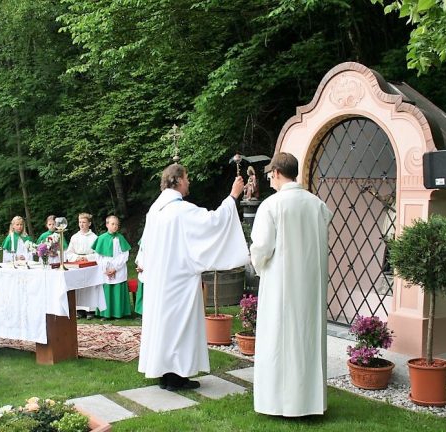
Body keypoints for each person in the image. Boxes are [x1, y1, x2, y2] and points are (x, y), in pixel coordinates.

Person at [137, 163, 247, 391]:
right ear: (177, 181)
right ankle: (177, 377)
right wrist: (233, 196)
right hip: (179, 279)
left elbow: (145, 245)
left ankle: (165, 374)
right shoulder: (180, 211)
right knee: (179, 326)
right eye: (187, 178)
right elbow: (214, 222)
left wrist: (143, 265)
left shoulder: (155, 210)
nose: (189, 182)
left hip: (159, 280)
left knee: (163, 326)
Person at [250, 152, 332, 417]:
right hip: (309, 284)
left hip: (280, 283)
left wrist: (260, 266)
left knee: (278, 339)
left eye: (269, 175)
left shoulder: (272, 205)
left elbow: (262, 246)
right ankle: (308, 402)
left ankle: (276, 403)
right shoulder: (317, 204)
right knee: (306, 337)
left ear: (275, 173)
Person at [92, 215, 132, 319]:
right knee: (106, 292)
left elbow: (125, 254)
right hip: (105, 268)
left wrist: (115, 268)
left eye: (117, 224)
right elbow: (97, 255)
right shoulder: (101, 238)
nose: (115, 226)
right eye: (112, 224)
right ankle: (106, 314)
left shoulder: (120, 238)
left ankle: (119, 313)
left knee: (117, 290)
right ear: (107, 224)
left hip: (118, 268)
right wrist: (104, 268)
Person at [65, 213, 99, 318]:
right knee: (79, 285)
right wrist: (77, 257)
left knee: (90, 286)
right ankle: (79, 309)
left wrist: (87, 258)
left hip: (90, 264)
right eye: (80, 222)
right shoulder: (75, 237)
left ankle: (90, 310)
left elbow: (98, 253)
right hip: (78, 263)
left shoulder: (94, 237)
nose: (81, 224)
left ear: (89, 223)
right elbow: (69, 253)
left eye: (84, 222)